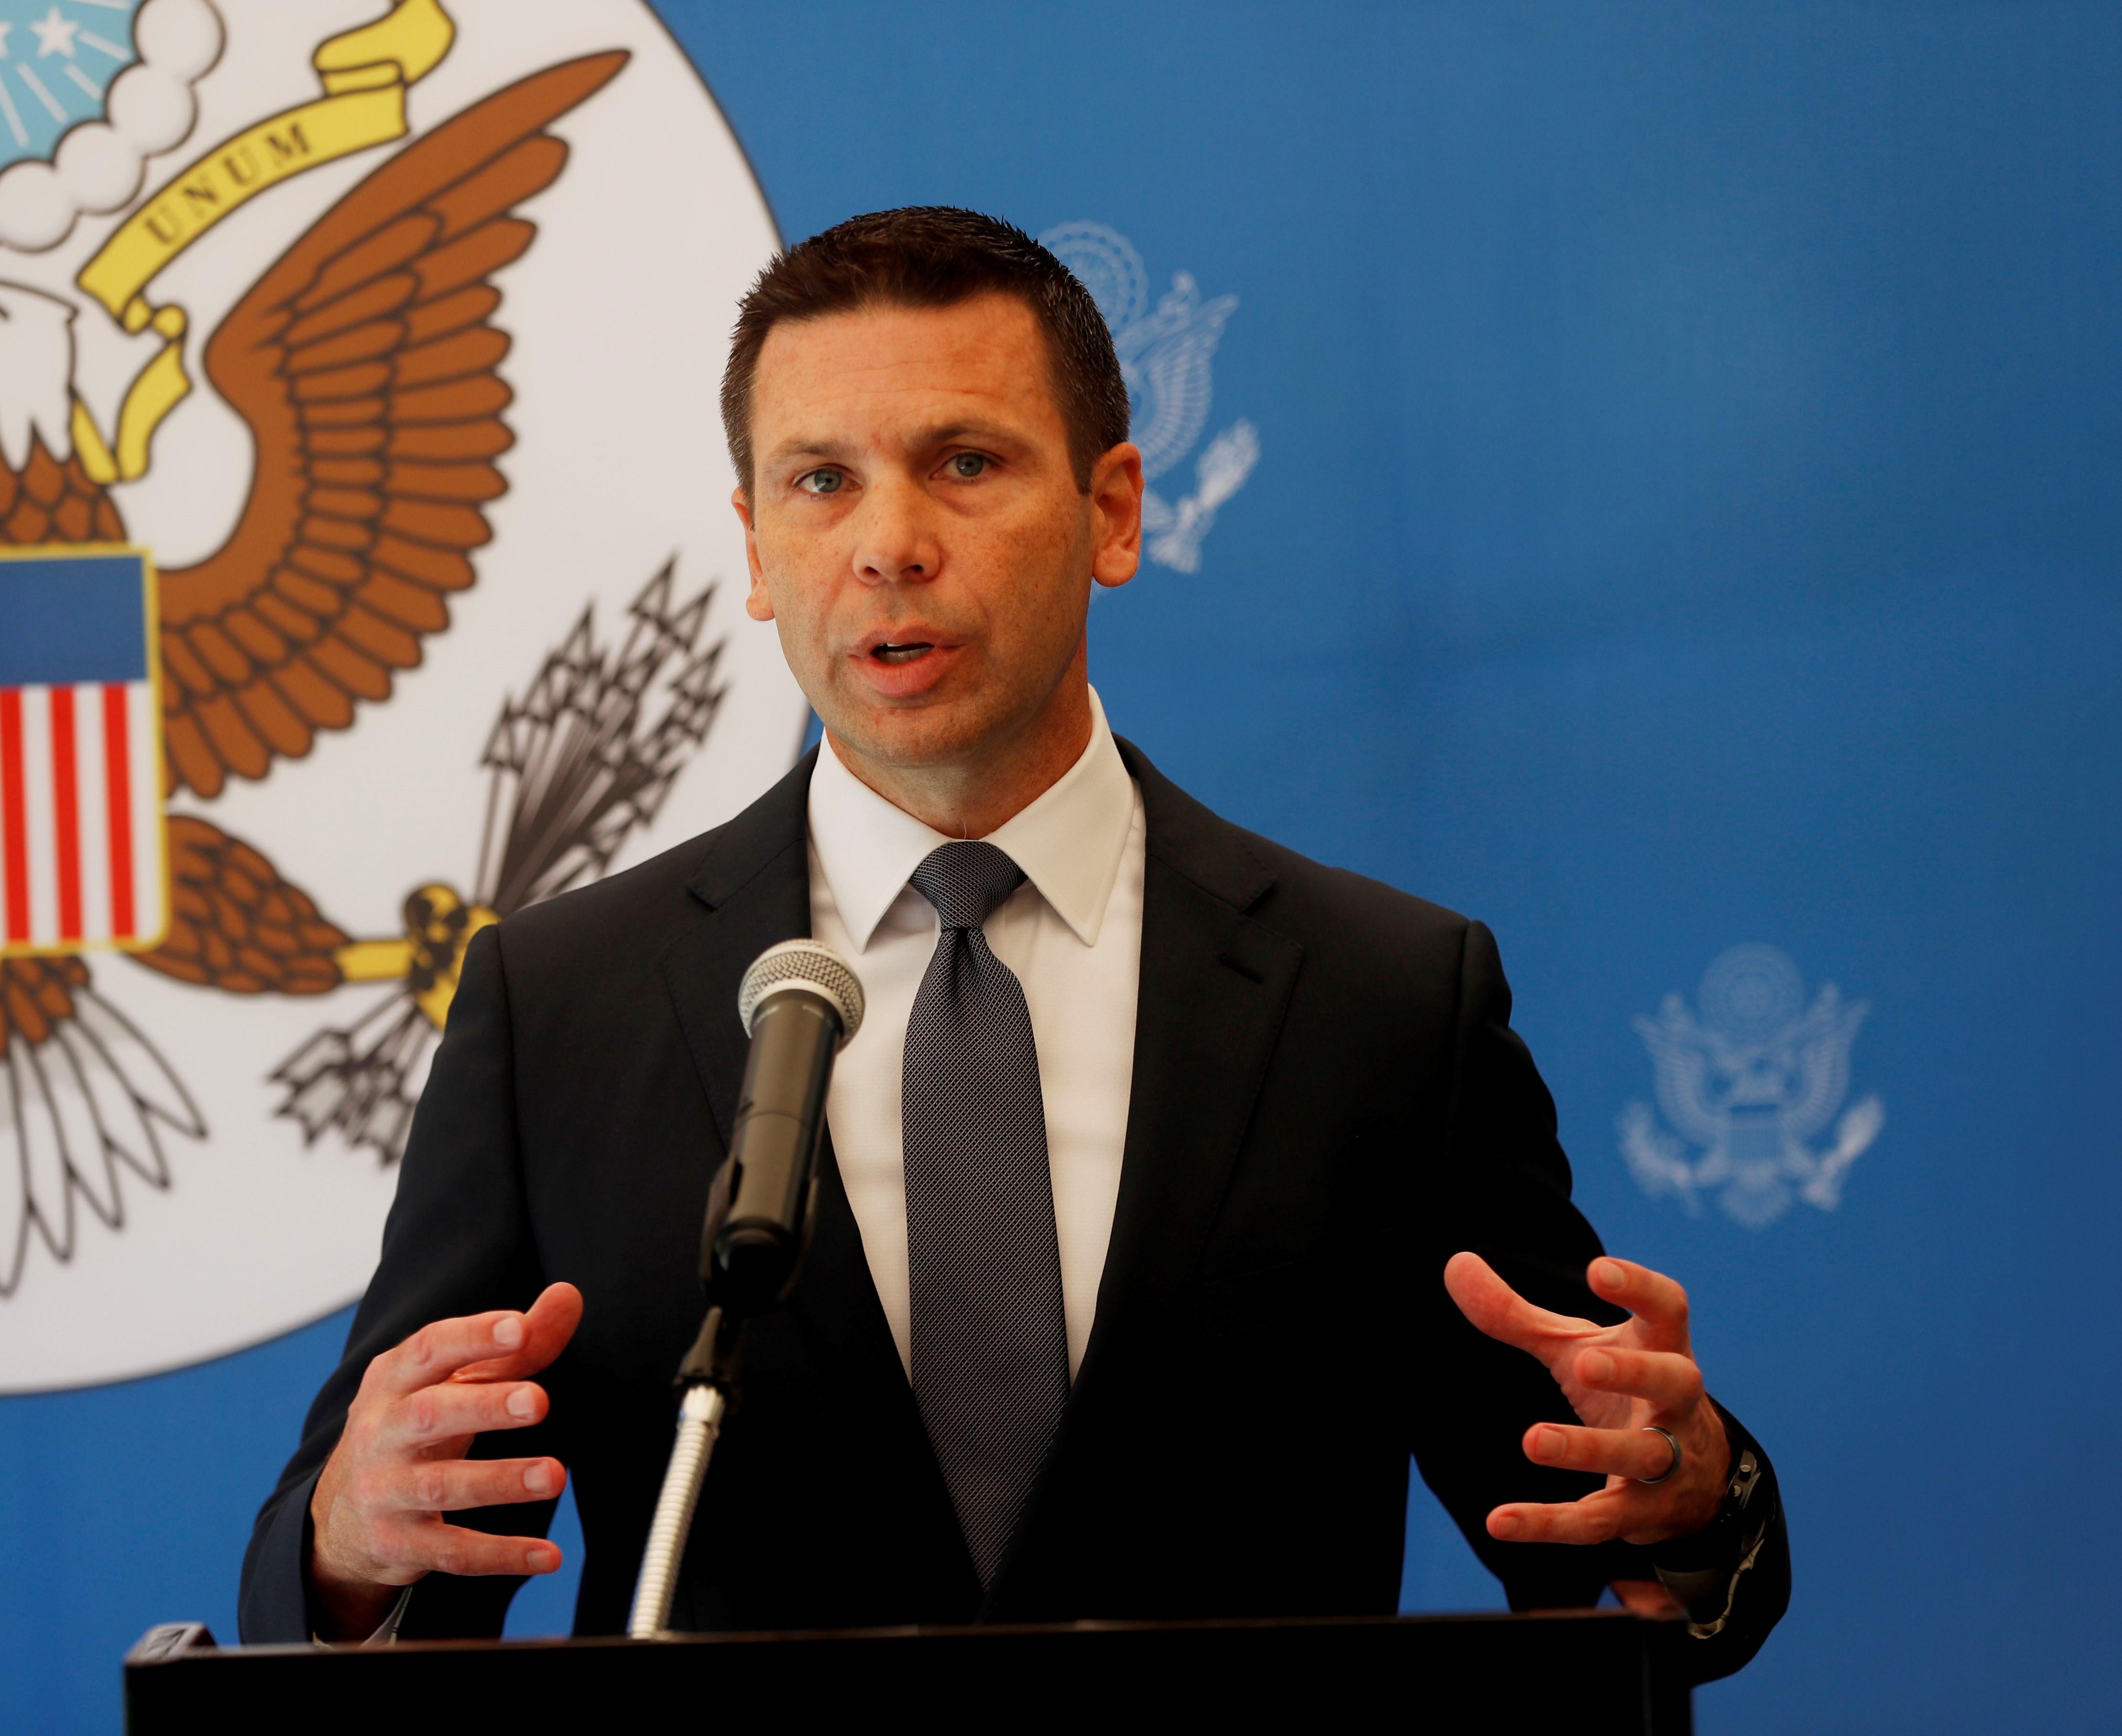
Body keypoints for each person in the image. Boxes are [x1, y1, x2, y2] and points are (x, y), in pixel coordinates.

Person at [240, 208, 1789, 1676]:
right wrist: (351, 1541)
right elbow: (368, 1571)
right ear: (758, 546)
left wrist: (1692, 1487)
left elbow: (1608, 1540)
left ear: (1113, 511)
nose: (888, 544)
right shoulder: (561, 1007)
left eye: (964, 463)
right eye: (820, 482)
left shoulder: (1380, 1000)